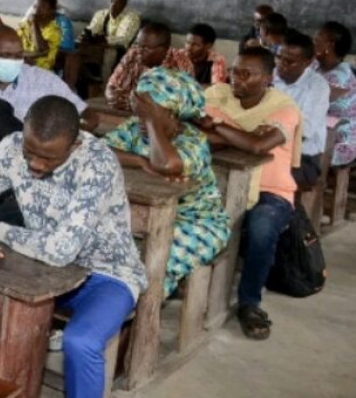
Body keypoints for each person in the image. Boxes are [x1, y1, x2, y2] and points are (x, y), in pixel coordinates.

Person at [0, 95, 144, 398]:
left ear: (76, 143)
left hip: (105, 272)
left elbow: (61, 249)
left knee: (81, 342)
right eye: (31, 151)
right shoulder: (12, 148)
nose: (35, 164)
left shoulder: (97, 164)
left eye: (49, 159)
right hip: (36, 268)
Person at [198, 48, 303, 340]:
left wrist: (219, 127)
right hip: (218, 182)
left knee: (261, 228)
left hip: (271, 190)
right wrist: (243, 137)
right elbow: (194, 134)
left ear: (268, 79)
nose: (237, 79)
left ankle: (250, 302)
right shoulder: (218, 95)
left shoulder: (285, 108)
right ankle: (190, 284)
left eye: (247, 74)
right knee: (187, 213)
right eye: (235, 71)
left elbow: (259, 146)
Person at [103, 68, 231, 296]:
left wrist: (152, 122)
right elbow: (101, 151)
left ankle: (138, 318)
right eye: (139, 111)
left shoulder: (193, 141)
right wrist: (140, 160)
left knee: (153, 266)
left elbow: (167, 164)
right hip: (144, 218)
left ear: (173, 112)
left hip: (195, 223)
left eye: (147, 113)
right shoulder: (134, 129)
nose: (140, 119)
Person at [0, 24, 90, 124]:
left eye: (18, 56)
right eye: (5, 55)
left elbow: (87, 116)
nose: (13, 62)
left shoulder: (44, 81)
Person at [273, 32, 330, 189]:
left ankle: (294, 212)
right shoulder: (271, 76)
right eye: (279, 57)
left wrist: (264, 142)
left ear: (308, 62)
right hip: (268, 147)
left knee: (263, 175)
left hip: (303, 159)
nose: (282, 64)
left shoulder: (318, 87)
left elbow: (303, 133)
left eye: (290, 61)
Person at [104, 22, 194, 111]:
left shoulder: (180, 63)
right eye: (138, 45)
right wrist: (111, 95)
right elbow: (112, 85)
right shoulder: (133, 54)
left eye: (146, 48)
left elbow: (179, 102)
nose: (139, 51)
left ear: (164, 49)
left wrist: (135, 101)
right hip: (126, 114)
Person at [314, 21, 356, 167]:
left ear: (329, 46)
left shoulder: (340, 77)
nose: (313, 42)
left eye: (317, 40)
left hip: (341, 144)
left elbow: (309, 102)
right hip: (321, 135)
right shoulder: (317, 67)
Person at [16, 0, 69, 71]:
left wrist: (34, 23)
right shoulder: (25, 26)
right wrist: (30, 56)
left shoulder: (54, 31)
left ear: (52, 11)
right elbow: (14, 49)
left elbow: (41, 48)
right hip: (21, 65)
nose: (37, 10)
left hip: (41, 71)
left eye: (42, 7)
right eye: (35, 6)